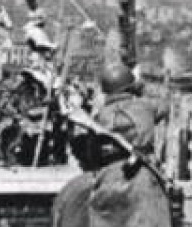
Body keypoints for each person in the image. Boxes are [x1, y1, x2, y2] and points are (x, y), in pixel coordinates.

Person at [53, 63, 171, 227]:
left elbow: (92, 155)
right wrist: (142, 88)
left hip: (108, 178)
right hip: (142, 176)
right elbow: (165, 105)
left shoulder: (100, 116)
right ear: (131, 87)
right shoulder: (146, 106)